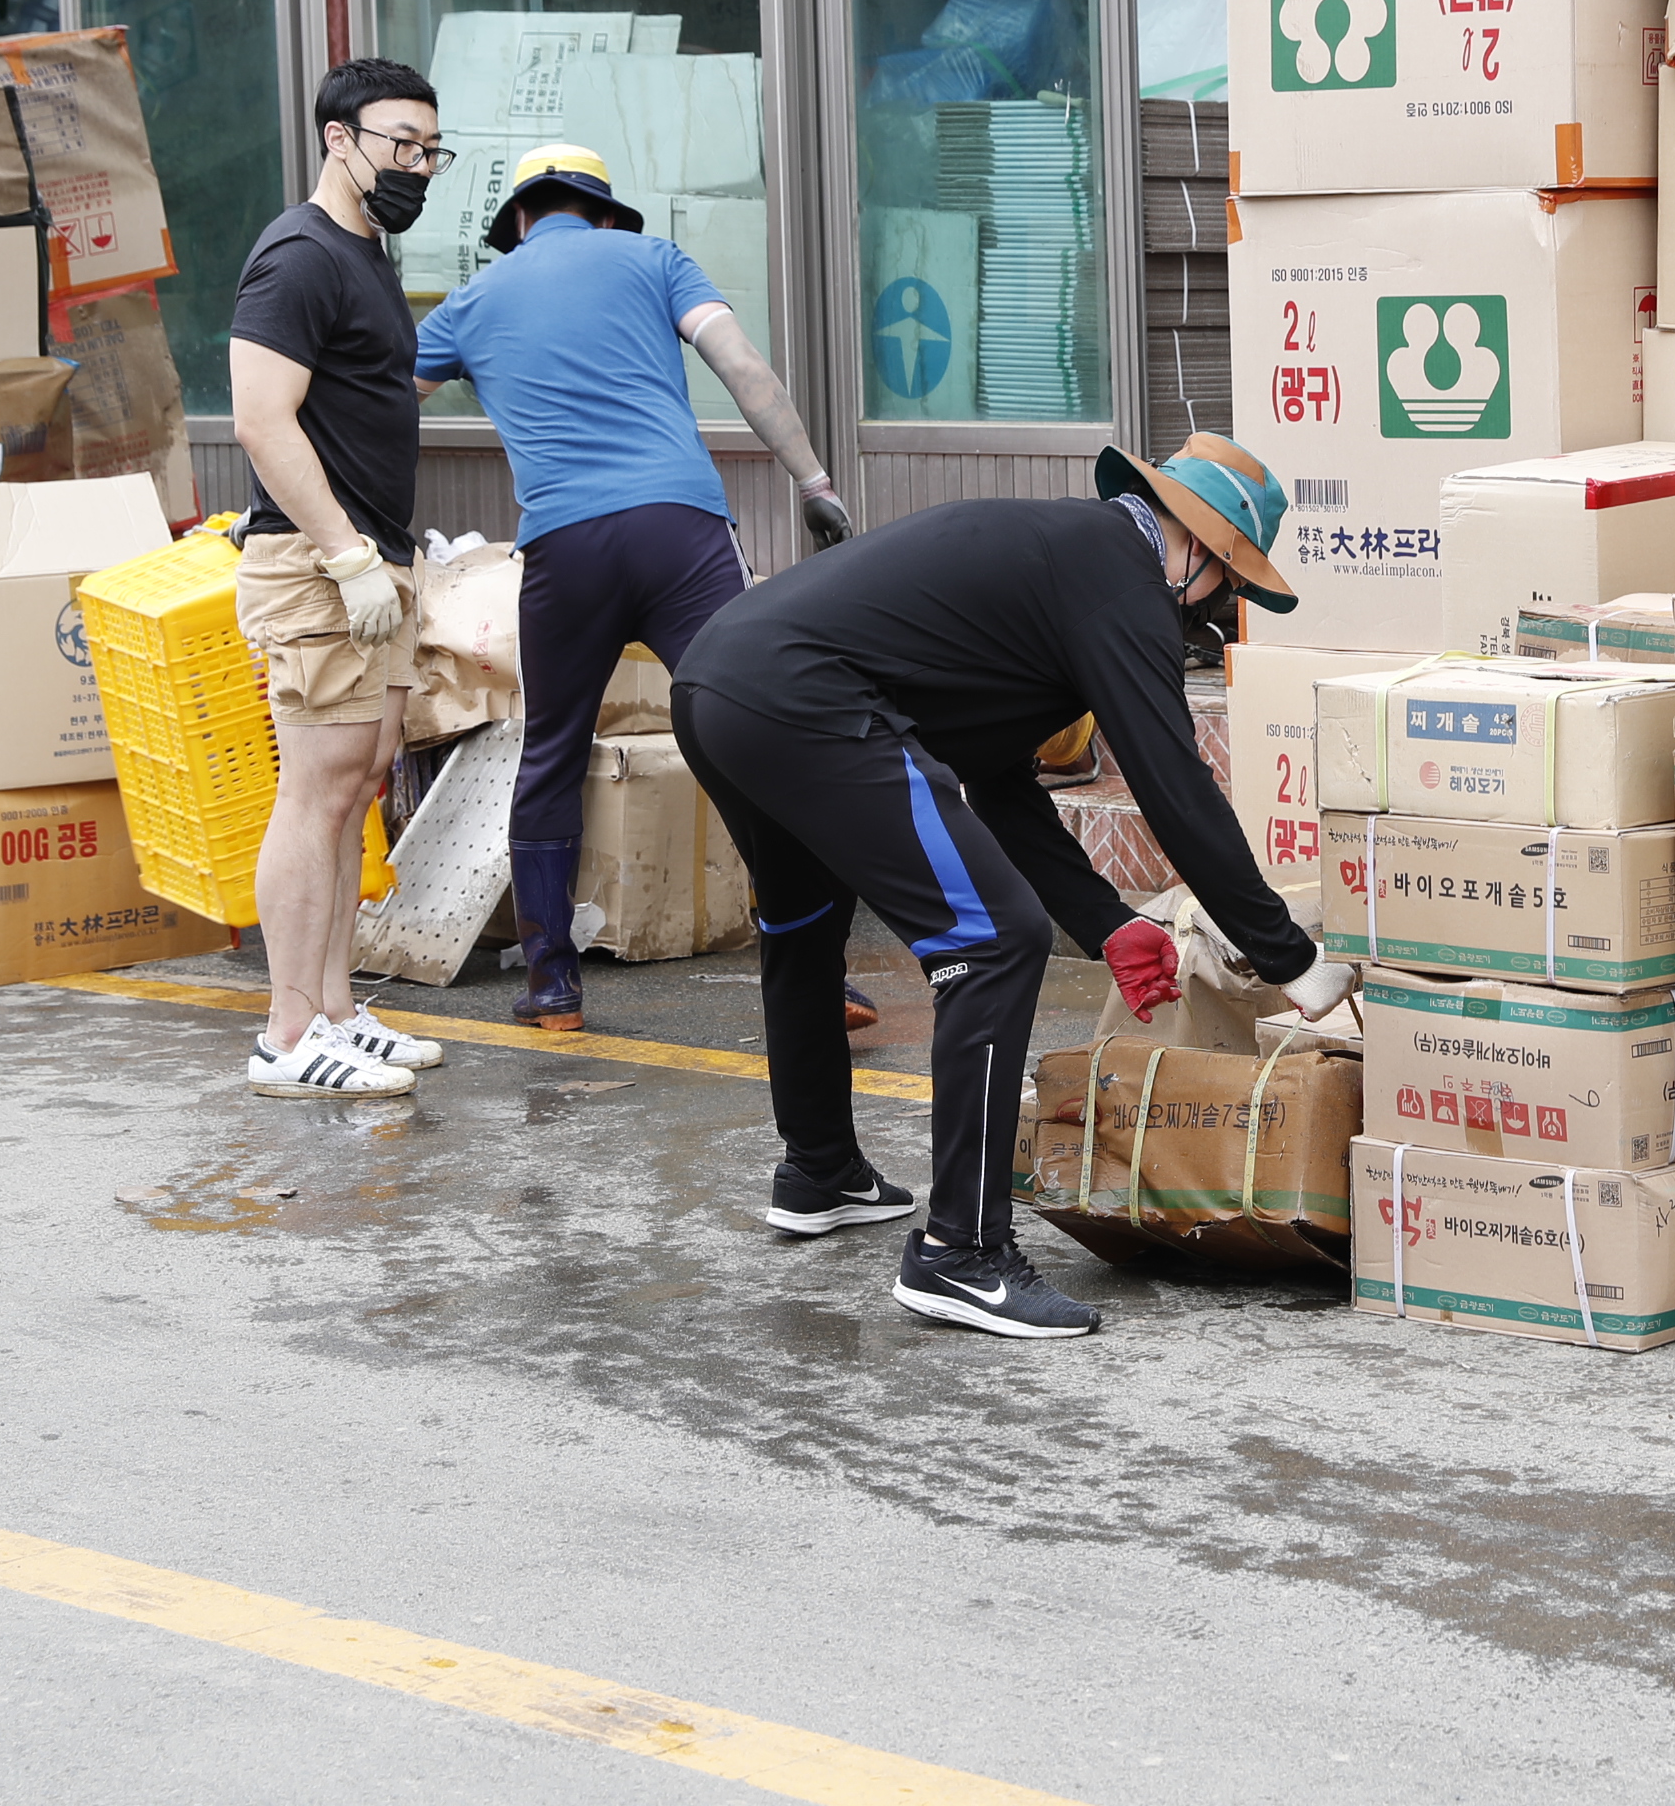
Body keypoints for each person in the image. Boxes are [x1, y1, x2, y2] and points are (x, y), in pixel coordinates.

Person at [672, 435, 1355, 1338]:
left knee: (805, 924)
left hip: (719, 681)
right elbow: (1174, 786)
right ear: (1198, 547)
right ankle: (963, 1254)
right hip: (808, 697)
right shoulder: (1121, 578)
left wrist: (1106, 922)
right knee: (993, 941)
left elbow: (995, 779)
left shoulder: (1060, 557)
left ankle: (820, 1171)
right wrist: (1291, 961)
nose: (1217, 609)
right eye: (1227, 585)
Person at [411, 143, 856, 1038]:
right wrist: (813, 485)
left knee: (551, 753)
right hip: (681, 533)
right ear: (603, 212)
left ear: (523, 222)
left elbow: (381, 406)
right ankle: (815, 976)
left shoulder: (471, 301)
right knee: (757, 730)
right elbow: (746, 371)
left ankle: (553, 989)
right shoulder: (654, 259)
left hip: (564, 547)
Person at [223, 56, 455, 1099]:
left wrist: (392, 557)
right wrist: (347, 552)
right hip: (322, 565)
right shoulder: (299, 255)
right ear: (337, 137)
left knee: (359, 782)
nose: (416, 163)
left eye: (430, 149)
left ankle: (331, 1010)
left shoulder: (368, 254)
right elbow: (261, 418)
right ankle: (285, 1033)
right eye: (399, 143)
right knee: (314, 793)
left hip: (380, 560)